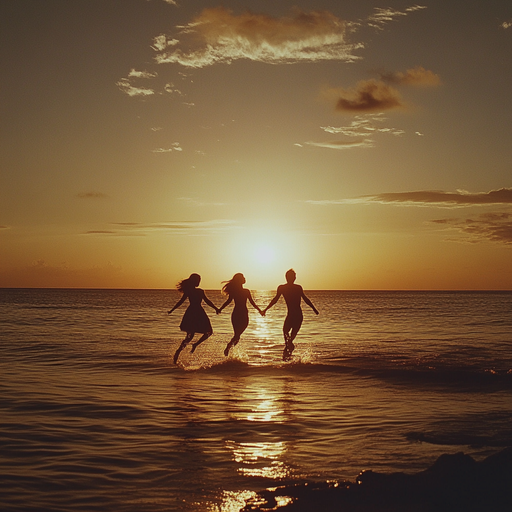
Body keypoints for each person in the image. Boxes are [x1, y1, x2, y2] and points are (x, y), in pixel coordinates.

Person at [263, 269, 319, 361]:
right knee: (287, 335)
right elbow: (275, 300)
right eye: (293, 276)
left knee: (289, 338)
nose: (294, 278)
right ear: (288, 277)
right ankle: (287, 357)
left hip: (297, 316)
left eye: (294, 276)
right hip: (294, 315)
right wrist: (265, 309)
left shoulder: (296, 288)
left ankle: (286, 357)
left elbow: (305, 299)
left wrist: (314, 308)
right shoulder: (284, 288)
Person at [168, 273, 220, 364]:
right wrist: (172, 310)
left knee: (209, 332)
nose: (199, 282)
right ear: (194, 281)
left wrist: (216, 308)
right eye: (198, 280)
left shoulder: (200, 291)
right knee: (190, 335)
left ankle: (195, 344)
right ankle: (179, 351)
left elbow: (207, 301)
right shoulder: (190, 291)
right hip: (194, 313)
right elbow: (181, 302)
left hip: (197, 312)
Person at [218, 273, 264, 356]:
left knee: (237, 335)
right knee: (237, 334)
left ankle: (230, 349)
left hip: (239, 314)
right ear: (239, 280)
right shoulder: (242, 291)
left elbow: (252, 302)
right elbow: (229, 301)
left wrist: (260, 310)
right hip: (240, 314)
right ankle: (229, 347)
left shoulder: (244, 291)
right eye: (243, 277)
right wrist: (220, 309)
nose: (244, 278)